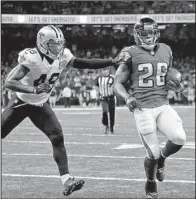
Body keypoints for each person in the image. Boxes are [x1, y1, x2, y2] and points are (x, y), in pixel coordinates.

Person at [1, 25, 122, 196]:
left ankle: (66, 180)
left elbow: (82, 63)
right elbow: (9, 82)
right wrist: (33, 90)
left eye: (59, 43)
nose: (58, 47)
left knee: (57, 136)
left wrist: (111, 61)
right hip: (22, 102)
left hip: (41, 104)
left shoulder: (63, 55)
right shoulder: (32, 58)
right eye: (53, 44)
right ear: (43, 44)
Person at [114, 17, 186, 199]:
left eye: (151, 34)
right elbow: (117, 83)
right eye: (143, 34)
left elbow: (166, 74)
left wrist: (175, 84)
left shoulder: (166, 50)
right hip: (142, 107)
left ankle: (163, 157)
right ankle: (150, 182)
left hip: (162, 104)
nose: (147, 38)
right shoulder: (129, 53)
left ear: (157, 34)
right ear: (137, 35)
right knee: (151, 153)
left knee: (179, 138)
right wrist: (127, 97)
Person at [96, 66, 116, 134]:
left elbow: (116, 86)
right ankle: (106, 125)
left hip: (111, 97)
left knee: (112, 113)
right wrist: (97, 94)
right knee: (105, 112)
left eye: (106, 70)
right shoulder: (99, 78)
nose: (105, 71)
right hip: (103, 98)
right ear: (101, 71)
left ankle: (111, 127)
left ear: (108, 70)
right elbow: (97, 87)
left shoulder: (113, 78)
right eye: (103, 70)